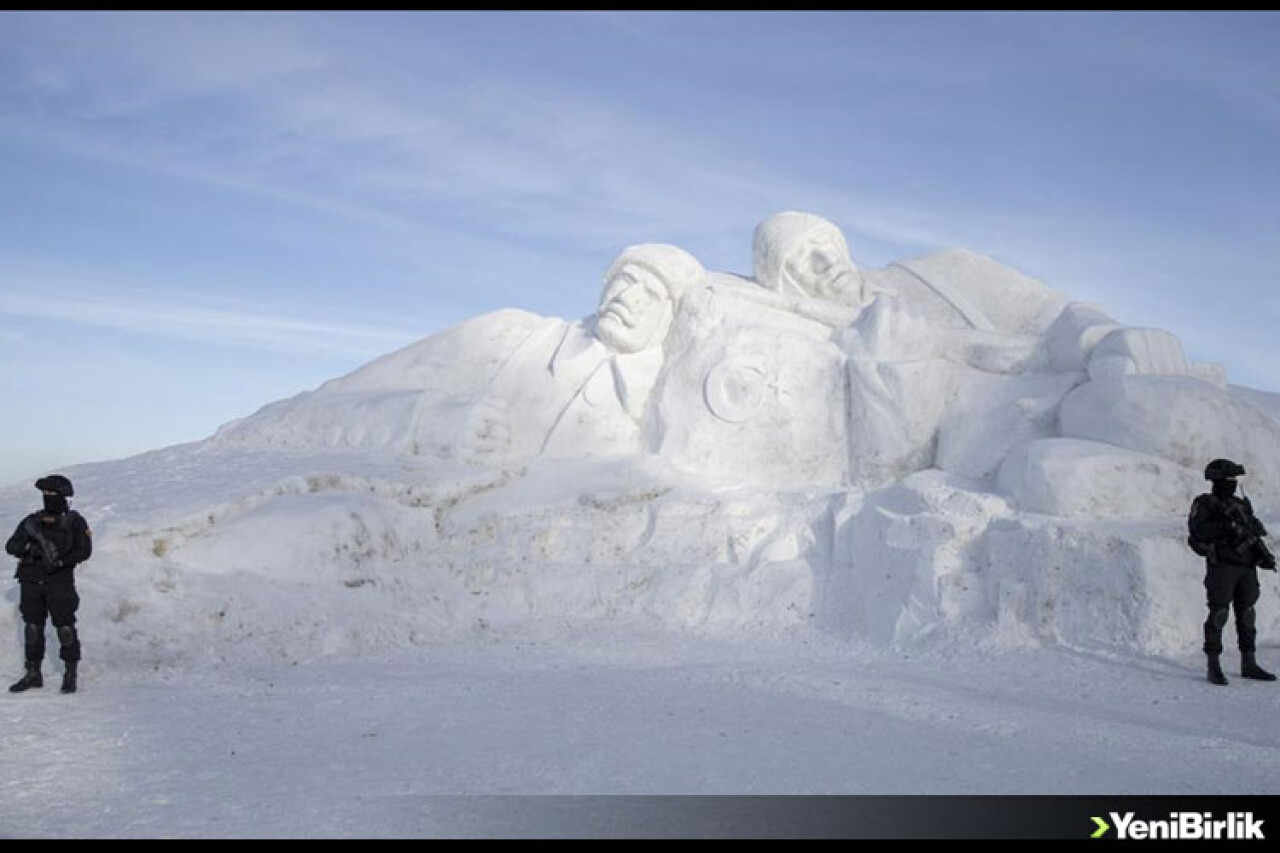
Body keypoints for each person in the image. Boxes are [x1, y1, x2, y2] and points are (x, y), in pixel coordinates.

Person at [1188, 458, 1277, 686]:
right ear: (1215, 481)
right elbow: (1198, 530)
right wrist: (1227, 527)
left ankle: (1249, 662)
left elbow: (1256, 530)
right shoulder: (1206, 503)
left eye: (1233, 480)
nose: (1232, 483)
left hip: (1246, 566)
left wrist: (1259, 544)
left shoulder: (1241, 504)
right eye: (1227, 480)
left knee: (1247, 613)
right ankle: (1213, 665)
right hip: (1223, 565)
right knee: (1219, 614)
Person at [6, 474, 93, 694]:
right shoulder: (32, 521)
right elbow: (11, 546)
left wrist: (62, 561)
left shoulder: (74, 521)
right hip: (31, 581)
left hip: (59, 582)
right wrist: (31, 550)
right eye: (45, 494)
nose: (48, 498)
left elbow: (84, 550)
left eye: (52, 494)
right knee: (33, 628)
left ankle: (70, 673)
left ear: (63, 496)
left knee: (65, 627)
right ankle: (33, 673)